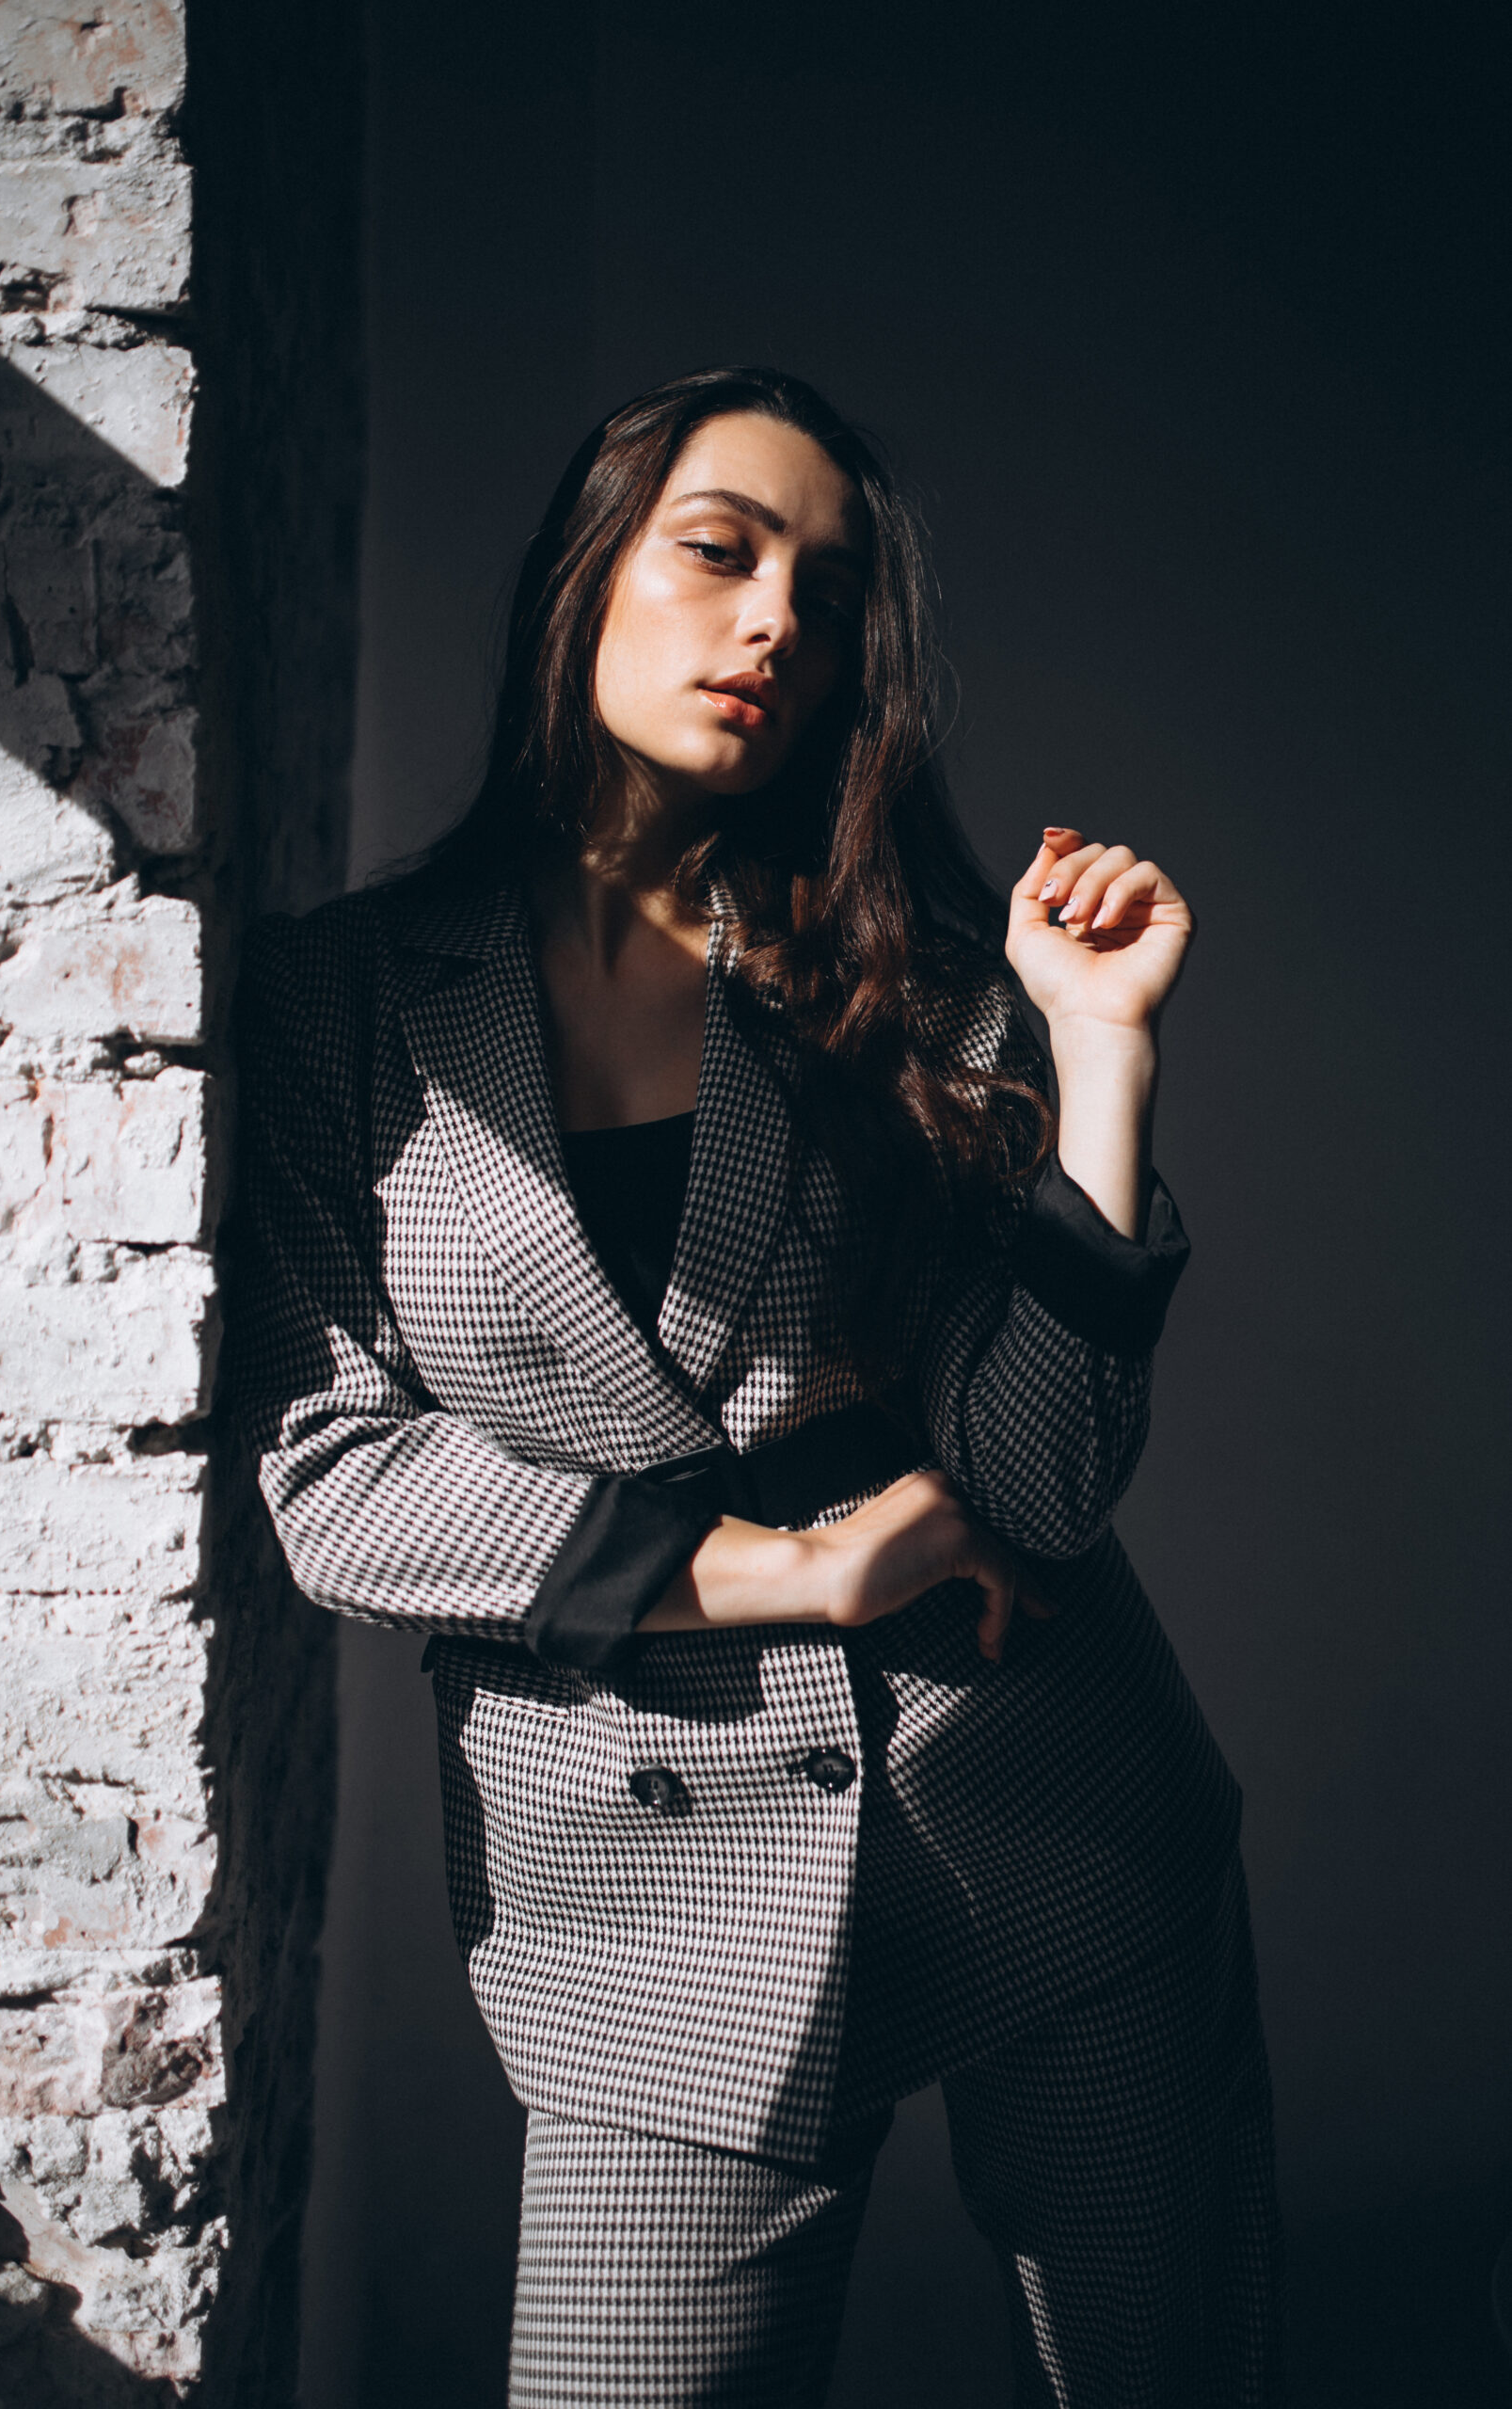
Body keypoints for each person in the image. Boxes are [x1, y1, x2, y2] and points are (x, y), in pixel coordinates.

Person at [234, 366, 1282, 2406]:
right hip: (643, 1902)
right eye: (719, 549)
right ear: (585, 571)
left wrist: (1102, 1061)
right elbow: (332, 1473)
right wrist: (791, 1567)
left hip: (1052, 1814)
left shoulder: (922, 974)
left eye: (826, 591)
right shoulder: (343, 1000)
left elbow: (1040, 1491)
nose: (776, 621)